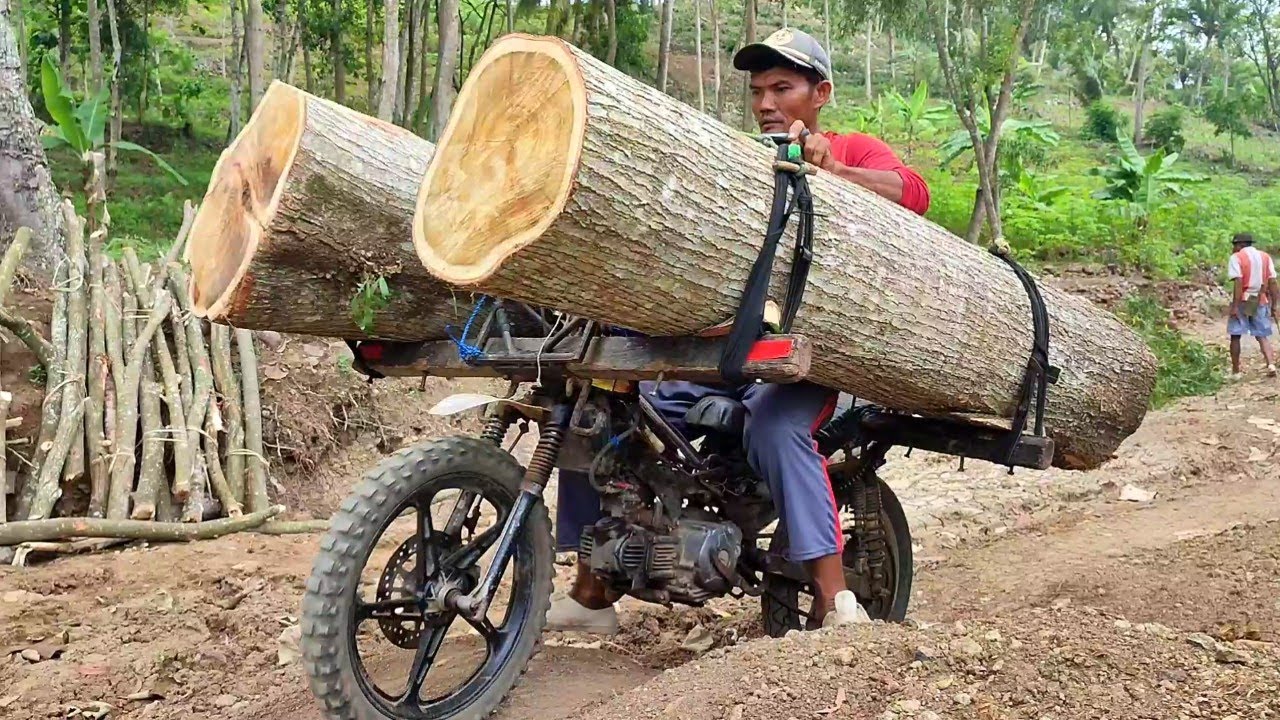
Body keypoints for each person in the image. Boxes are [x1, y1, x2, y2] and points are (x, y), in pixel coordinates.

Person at [547, 28, 930, 634]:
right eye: (757, 92)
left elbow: (915, 193)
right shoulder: (741, 160)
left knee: (777, 428)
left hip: (814, 360)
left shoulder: (851, 148)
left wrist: (833, 170)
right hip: (730, 352)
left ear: (821, 93)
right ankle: (594, 591)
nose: (765, 103)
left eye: (782, 88)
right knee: (603, 414)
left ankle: (837, 602)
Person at [1227, 232, 1278, 379]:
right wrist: (1274, 305)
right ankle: (1270, 364)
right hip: (1258, 298)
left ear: (1240, 245)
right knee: (1262, 334)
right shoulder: (1265, 257)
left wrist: (1235, 306)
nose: (1233, 248)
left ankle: (1236, 371)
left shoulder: (1237, 257)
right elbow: (1273, 282)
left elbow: (1238, 282)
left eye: (1234, 245)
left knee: (1236, 334)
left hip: (1244, 298)